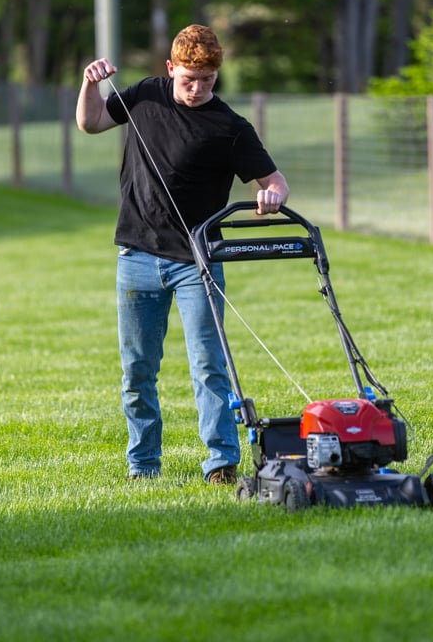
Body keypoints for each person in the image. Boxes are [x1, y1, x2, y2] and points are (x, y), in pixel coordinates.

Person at [77, 24, 289, 485]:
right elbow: (90, 123)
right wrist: (89, 84)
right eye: (188, 79)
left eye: (207, 80)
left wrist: (271, 197)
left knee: (209, 365)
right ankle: (143, 465)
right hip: (136, 256)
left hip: (198, 264)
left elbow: (274, 182)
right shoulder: (145, 97)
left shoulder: (230, 127)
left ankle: (220, 463)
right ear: (170, 68)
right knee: (137, 370)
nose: (196, 89)